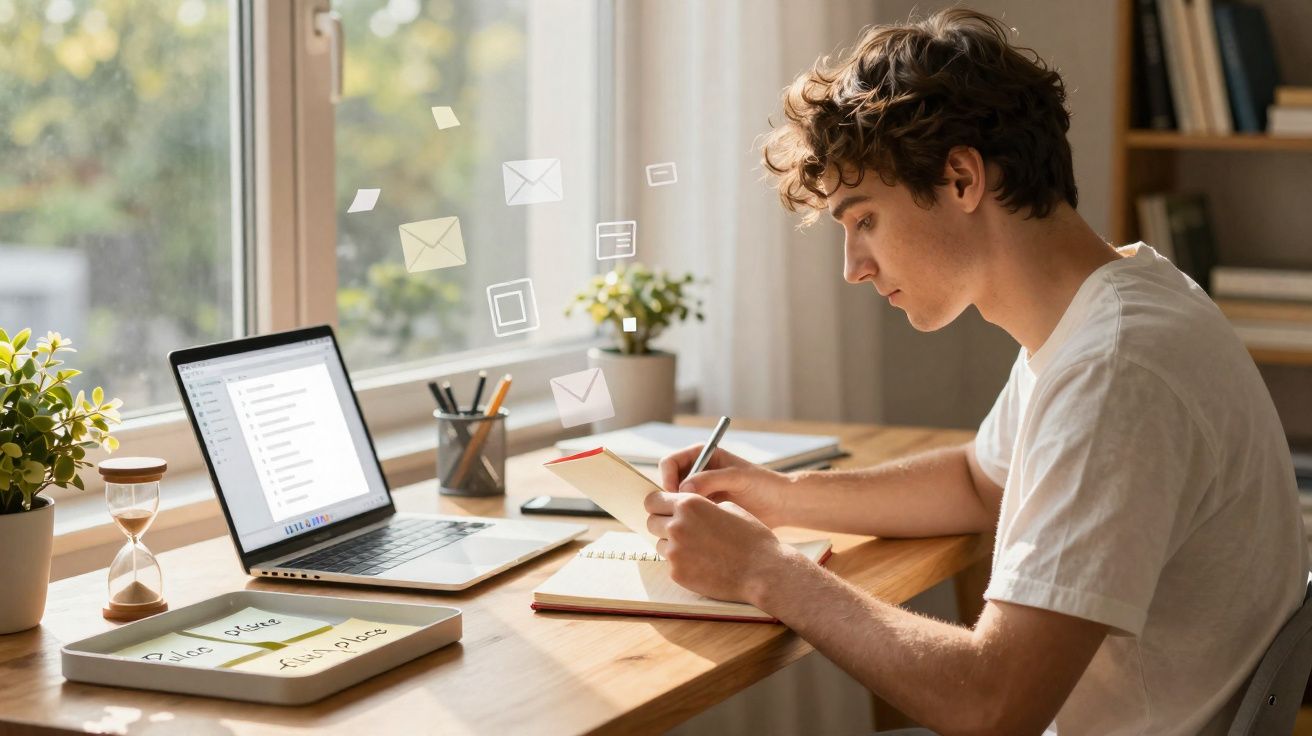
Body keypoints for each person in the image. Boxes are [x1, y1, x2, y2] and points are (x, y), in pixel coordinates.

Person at [643, 8, 1308, 735]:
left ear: (961, 178)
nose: (853, 269)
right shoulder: (1117, 305)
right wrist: (777, 496)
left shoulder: (1116, 371)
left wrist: (764, 571)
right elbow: (977, 480)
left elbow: (992, 705)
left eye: (863, 219)